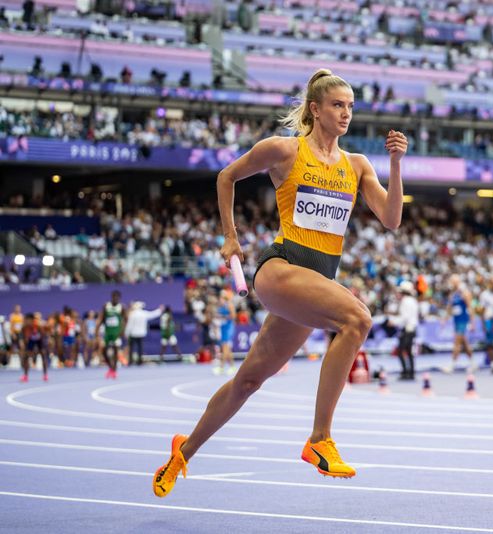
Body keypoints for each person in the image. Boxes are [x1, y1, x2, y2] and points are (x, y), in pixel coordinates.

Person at [152, 68, 407, 497]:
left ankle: (183, 452)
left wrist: (396, 165)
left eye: (350, 107)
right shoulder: (284, 151)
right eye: (337, 105)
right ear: (315, 109)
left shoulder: (357, 165)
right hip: (281, 269)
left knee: (248, 381)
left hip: (313, 281)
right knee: (356, 319)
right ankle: (319, 439)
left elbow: (392, 219)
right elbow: (226, 176)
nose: (346, 114)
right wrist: (230, 239)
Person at [444, 274, 474, 373]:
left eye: (452, 281)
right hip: (456, 321)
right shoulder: (453, 295)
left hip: (463, 321)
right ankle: (472, 363)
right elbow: (449, 308)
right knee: (465, 343)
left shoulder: (465, 293)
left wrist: (472, 322)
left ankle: (452, 365)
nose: (451, 284)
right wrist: (445, 319)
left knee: (457, 342)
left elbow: (470, 307)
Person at [96, 290, 127, 379]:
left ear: (119, 298)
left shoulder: (122, 307)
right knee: (104, 351)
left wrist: (122, 330)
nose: (115, 298)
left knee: (115, 351)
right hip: (107, 332)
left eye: (117, 297)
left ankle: (114, 370)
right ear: (112, 297)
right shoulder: (106, 306)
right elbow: (101, 318)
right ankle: (110, 367)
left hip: (116, 333)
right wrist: (97, 330)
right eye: (114, 297)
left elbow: (126, 319)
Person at [125, 301, 163, 366]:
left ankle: (130, 362)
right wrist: (160, 310)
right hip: (140, 333)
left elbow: (129, 325)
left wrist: (126, 333)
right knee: (140, 348)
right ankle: (139, 362)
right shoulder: (143, 313)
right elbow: (152, 314)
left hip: (133, 334)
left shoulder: (132, 314)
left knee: (131, 348)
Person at [395, 280, 419, 380]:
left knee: (400, 351)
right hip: (412, 329)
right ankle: (411, 372)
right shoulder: (413, 300)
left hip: (407, 329)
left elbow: (404, 318)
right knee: (409, 352)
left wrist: (394, 322)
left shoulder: (405, 301)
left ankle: (405, 372)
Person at [21, 312, 47, 382]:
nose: (26, 321)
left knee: (43, 355)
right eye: (25, 320)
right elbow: (24, 338)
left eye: (27, 320)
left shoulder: (38, 326)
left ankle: (45, 375)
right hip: (31, 341)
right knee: (26, 356)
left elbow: (43, 336)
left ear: (32, 320)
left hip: (39, 341)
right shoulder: (24, 327)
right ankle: (25, 376)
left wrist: (40, 349)